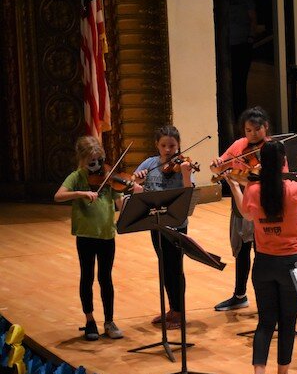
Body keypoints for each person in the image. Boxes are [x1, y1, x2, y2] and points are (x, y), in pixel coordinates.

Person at [227, 140, 297, 374]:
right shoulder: (293, 188)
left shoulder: (253, 190)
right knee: (287, 321)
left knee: (265, 321)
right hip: (290, 262)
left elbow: (247, 215)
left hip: (263, 262)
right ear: (284, 162)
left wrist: (233, 184)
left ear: (262, 163)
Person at [54, 136, 140, 341]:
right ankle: (90, 320)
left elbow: (120, 205)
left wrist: (134, 194)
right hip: (85, 236)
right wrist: (81, 193)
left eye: (100, 161)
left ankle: (109, 321)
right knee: (87, 277)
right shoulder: (77, 177)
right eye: (91, 162)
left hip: (106, 235)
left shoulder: (109, 179)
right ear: (82, 161)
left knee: (105, 278)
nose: (97, 166)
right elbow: (58, 196)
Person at [212, 106, 276, 312]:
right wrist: (217, 165)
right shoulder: (240, 144)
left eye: (257, 130)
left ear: (265, 127)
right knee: (242, 250)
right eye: (248, 130)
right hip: (240, 202)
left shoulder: (272, 149)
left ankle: (265, 300)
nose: (253, 134)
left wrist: (243, 176)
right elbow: (221, 165)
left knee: (261, 251)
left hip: (262, 205)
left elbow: (275, 179)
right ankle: (239, 295)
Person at [133, 126, 194, 329]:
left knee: (175, 267)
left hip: (176, 224)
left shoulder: (183, 165)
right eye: (164, 145)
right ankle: (173, 308)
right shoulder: (149, 164)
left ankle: (179, 312)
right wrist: (138, 182)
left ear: (178, 146)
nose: (168, 150)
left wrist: (186, 174)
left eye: (172, 146)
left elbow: (188, 194)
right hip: (156, 223)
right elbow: (136, 189)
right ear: (157, 146)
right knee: (164, 266)